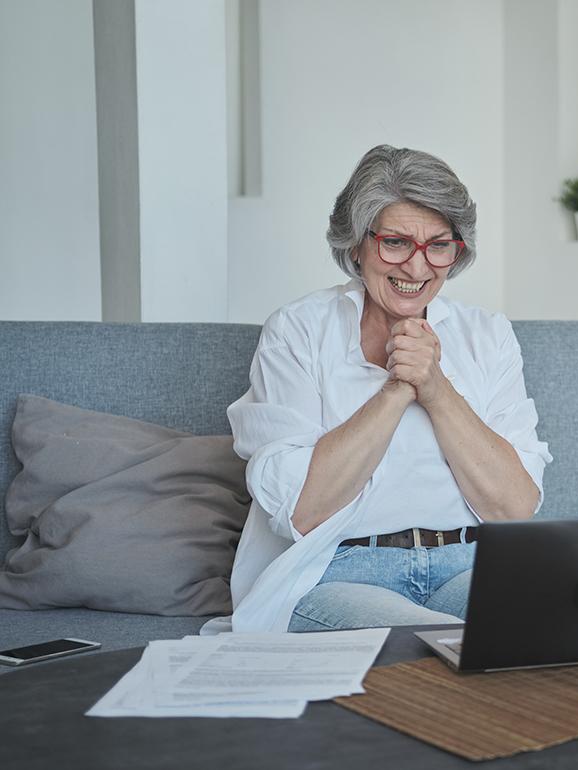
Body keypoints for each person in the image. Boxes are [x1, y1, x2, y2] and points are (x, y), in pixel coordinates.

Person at [218, 145, 551, 634]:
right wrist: (397, 389)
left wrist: (435, 387)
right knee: (420, 650)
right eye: (395, 242)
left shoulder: (487, 335)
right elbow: (303, 511)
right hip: (336, 573)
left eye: (439, 245)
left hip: (470, 564)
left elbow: (514, 508)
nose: (417, 269)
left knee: (536, 626)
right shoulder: (298, 331)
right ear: (356, 244)